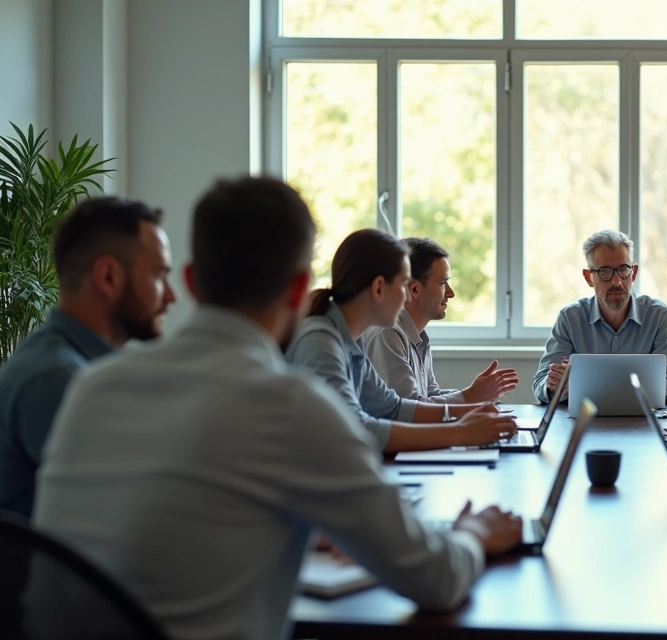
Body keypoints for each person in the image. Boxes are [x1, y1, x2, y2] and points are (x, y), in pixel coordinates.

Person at [33, 177, 522, 640]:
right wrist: (474, 532)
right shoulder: (291, 406)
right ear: (296, 289)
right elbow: (436, 579)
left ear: (191, 282)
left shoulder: (92, 387)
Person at [0, 197, 175, 518]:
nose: (171, 296)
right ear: (108, 277)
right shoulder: (57, 381)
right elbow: (129, 512)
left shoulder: (78, 368)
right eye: (159, 276)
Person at [287, 229, 518, 453]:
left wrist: (473, 411)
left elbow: (393, 408)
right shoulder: (320, 341)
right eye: (403, 285)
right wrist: (459, 432)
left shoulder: (350, 340)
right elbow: (354, 429)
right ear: (379, 288)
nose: (408, 296)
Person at [532, 229, 667, 404]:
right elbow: (540, 383)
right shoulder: (570, 318)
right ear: (589, 277)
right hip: (584, 421)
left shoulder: (659, 316)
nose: (616, 282)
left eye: (623, 270)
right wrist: (552, 385)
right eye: (605, 271)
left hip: (642, 423)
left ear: (633, 273)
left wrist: (614, 392)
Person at [365, 236, 519, 403]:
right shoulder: (388, 333)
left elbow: (430, 396)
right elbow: (409, 410)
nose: (451, 293)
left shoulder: (418, 336)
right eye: (443, 283)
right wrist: (469, 397)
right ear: (415, 289)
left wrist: (479, 396)